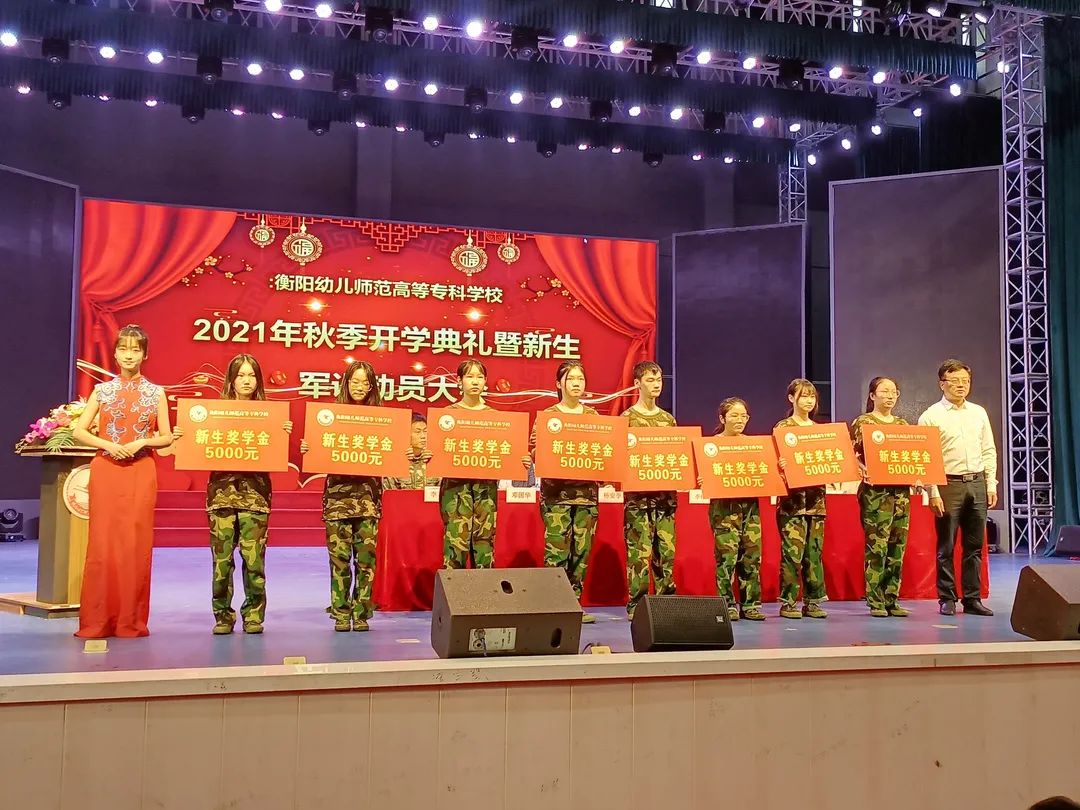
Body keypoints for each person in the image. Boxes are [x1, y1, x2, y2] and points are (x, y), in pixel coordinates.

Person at [174, 354, 292, 635]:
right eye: (241, 375)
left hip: (256, 497)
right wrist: (184, 433)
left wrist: (282, 432)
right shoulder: (214, 413)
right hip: (221, 496)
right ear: (231, 380)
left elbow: (276, 451)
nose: (246, 381)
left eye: (251, 375)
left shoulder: (270, 415)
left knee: (254, 561)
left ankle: (253, 615)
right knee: (222, 562)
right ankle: (223, 616)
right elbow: (198, 445)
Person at [71, 324, 172, 638]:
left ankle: (130, 619)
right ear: (115, 353)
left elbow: (167, 437)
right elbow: (79, 431)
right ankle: (98, 619)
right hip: (106, 470)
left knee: (134, 545)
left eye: (135, 350)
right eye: (123, 349)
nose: (129, 355)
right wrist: (108, 445)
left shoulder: (156, 393)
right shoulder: (102, 391)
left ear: (145, 355)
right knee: (102, 545)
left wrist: (143, 442)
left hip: (140, 471)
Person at [300, 361, 383, 631]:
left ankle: (362, 612)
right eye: (354, 381)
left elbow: (390, 455)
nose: (359, 387)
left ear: (372, 387)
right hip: (337, 501)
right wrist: (309, 447)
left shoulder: (382, 420)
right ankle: (341, 612)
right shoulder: (331, 416)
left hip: (368, 500)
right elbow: (317, 451)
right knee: (339, 560)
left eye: (365, 382)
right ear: (345, 384)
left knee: (366, 561)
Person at [918, 359, 997, 617]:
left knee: (974, 546)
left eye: (965, 381)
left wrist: (991, 483)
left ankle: (972, 598)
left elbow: (988, 449)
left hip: (977, 482)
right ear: (942, 384)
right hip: (947, 484)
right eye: (955, 381)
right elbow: (927, 457)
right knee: (946, 546)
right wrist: (932, 491)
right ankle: (947, 597)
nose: (961, 385)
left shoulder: (978, 412)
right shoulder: (931, 416)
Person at [527, 360, 600, 623]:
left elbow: (604, 453)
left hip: (587, 497)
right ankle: (554, 605)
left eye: (581, 379)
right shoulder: (548, 417)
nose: (577, 384)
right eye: (571, 379)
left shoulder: (593, 417)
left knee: (581, 552)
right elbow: (535, 454)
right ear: (559, 384)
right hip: (556, 497)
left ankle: (574, 604)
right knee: (556, 552)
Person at [851, 377, 911, 618]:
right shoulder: (863, 423)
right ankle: (875, 600)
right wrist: (860, 467)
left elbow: (911, 456)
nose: (890, 396)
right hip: (876, 495)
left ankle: (891, 598)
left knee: (898, 548)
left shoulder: (902, 424)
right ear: (872, 396)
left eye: (894, 392)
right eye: (884, 391)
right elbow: (850, 453)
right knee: (877, 547)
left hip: (901, 494)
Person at [621, 361, 677, 619]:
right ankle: (637, 604)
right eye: (650, 380)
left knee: (666, 552)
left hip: (665, 499)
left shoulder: (668, 420)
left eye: (659, 380)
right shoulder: (627, 419)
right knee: (639, 552)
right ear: (637, 384)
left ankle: (666, 603)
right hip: (637, 500)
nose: (656, 385)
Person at [775, 378, 829, 619]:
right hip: (792, 504)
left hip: (816, 502)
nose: (809, 401)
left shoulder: (821, 431)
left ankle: (813, 601)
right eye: (803, 396)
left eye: (812, 396)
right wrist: (780, 464)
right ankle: (788, 602)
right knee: (792, 554)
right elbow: (773, 462)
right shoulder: (783, 428)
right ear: (791, 398)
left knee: (813, 553)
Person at [709, 398, 766, 621]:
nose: (740, 420)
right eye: (734, 415)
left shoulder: (754, 445)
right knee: (727, 557)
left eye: (744, 416)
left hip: (750, 508)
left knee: (751, 556)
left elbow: (765, 473)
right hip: (724, 510)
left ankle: (751, 604)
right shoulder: (711, 446)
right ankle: (727, 604)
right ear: (722, 418)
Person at [438, 361, 499, 569]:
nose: (475, 381)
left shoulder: (496, 418)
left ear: (485, 382)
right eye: (470, 376)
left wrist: (520, 460)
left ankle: (485, 591)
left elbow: (505, 453)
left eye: (480, 377)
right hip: (455, 490)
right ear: (459, 381)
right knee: (455, 545)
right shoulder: (447, 415)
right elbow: (439, 451)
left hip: (485, 490)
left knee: (484, 545)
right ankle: (453, 590)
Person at [383, 412, 440, 490]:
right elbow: (389, 493)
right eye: (417, 432)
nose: (423, 436)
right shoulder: (396, 464)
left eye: (425, 431)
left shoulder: (434, 461)